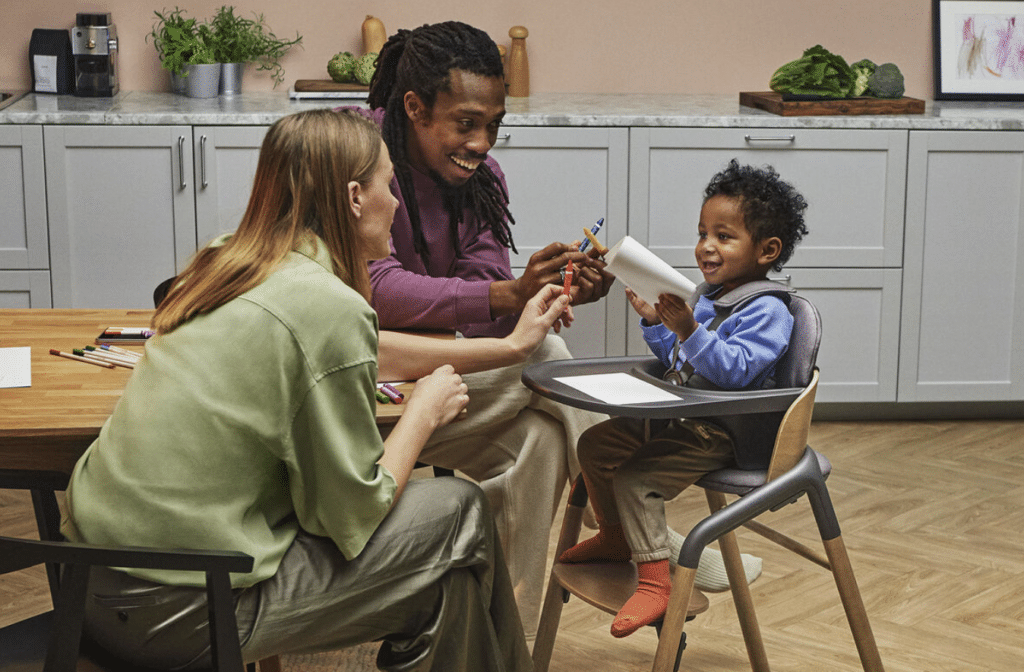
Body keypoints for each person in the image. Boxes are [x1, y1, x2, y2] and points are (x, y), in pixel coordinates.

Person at [59, 109, 571, 671]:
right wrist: (420, 416)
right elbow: (351, 514)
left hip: (86, 579)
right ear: (355, 197)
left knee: (445, 586)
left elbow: (369, 347)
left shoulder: (229, 260)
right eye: (388, 185)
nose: (396, 204)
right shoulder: (328, 307)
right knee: (458, 510)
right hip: (183, 610)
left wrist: (511, 347)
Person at [351, 20, 614, 636]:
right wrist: (507, 298)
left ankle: (501, 640)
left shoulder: (479, 180)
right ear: (413, 106)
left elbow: (484, 280)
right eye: (466, 122)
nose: (483, 142)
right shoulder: (360, 157)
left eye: (494, 124)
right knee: (542, 349)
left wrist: (537, 291)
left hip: (436, 384)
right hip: (356, 384)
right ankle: (634, 514)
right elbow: (379, 291)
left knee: (541, 441)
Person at [558, 159, 809, 638]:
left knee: (636, 480)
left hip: (725, 431)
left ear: (767, 250)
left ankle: (656, 584)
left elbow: (733, 372)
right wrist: (659, 323)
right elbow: (684, 361)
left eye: (723, 236)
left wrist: (690, 327)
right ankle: (614, 538)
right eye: (702, 233)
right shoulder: (711, 296)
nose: (706, 247)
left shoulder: (768, 311)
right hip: (684, 415)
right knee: (595, 446)